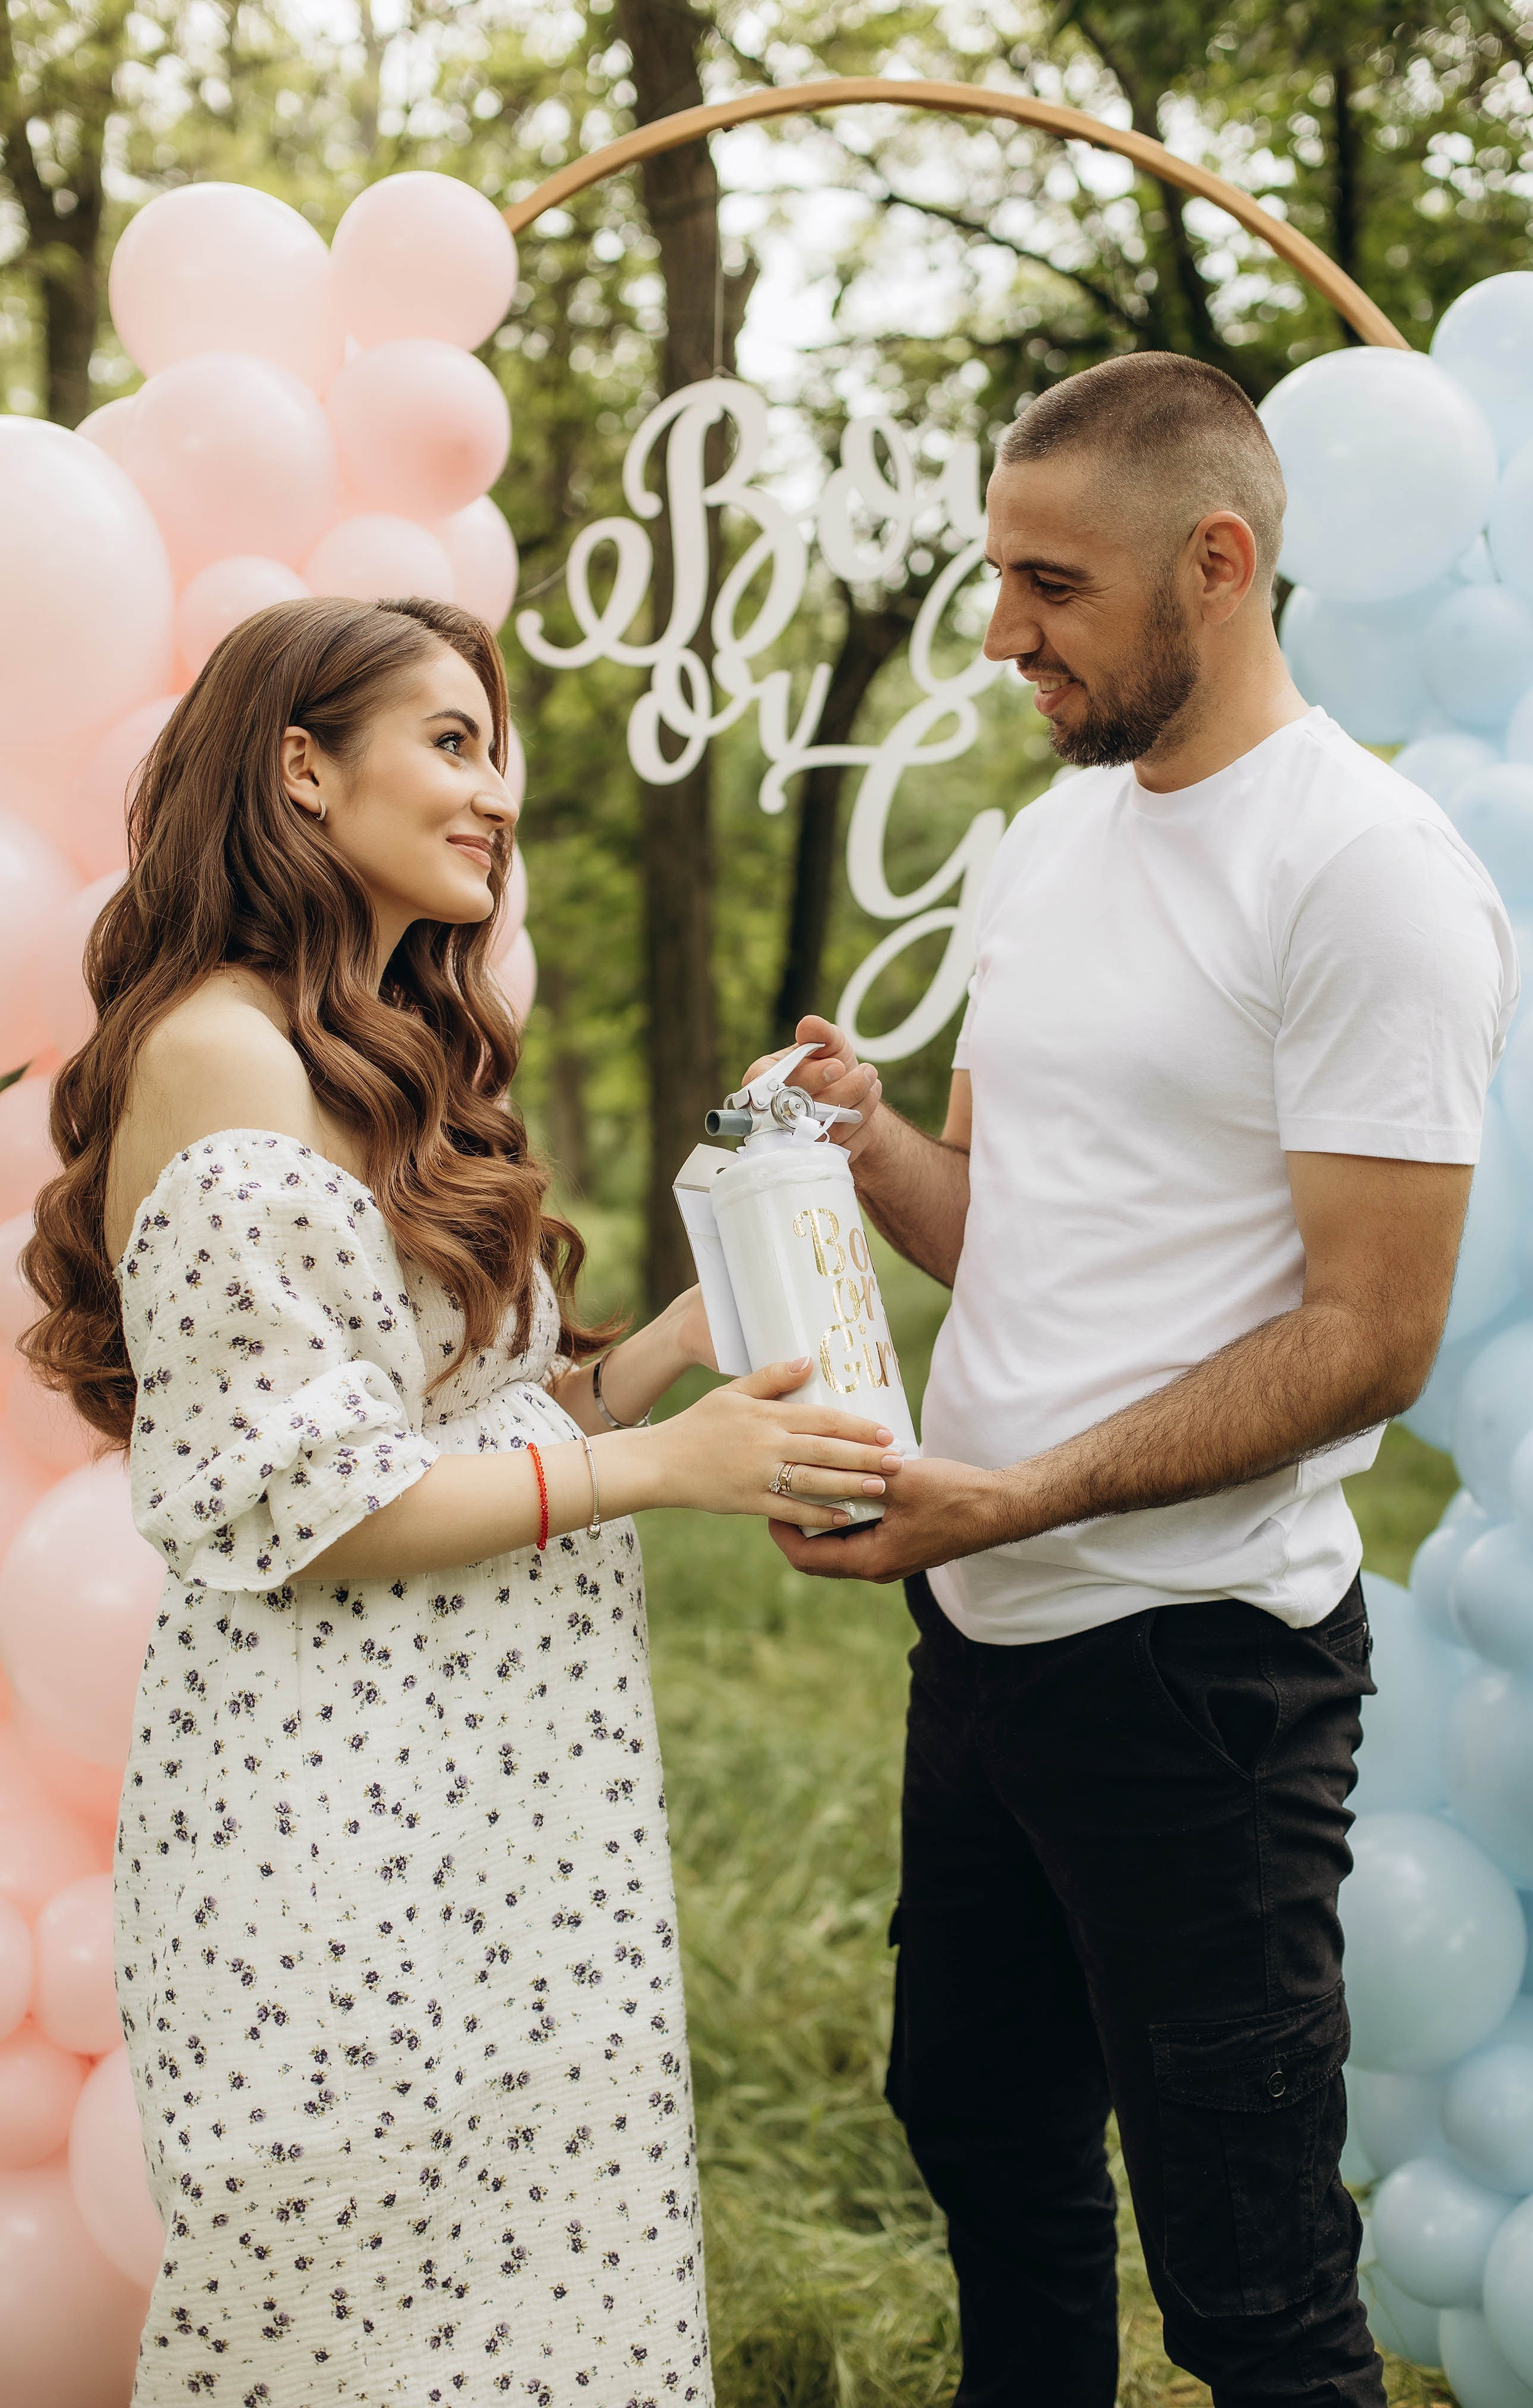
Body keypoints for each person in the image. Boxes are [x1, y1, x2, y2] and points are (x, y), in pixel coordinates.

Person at [21, 593, 903, 2405]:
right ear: (301, 770)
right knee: (363, 2327)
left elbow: (451, 1429)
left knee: (535, 2305)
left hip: (502, 1813)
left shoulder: (375, 1046)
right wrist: (659, 1471)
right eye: (451, 743)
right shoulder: (219, 1049)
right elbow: (318, 1500)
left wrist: (674, 1346)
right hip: (330, 1821)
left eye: (497, 751)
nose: (498, 792)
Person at [761, 353, 1517, 2406]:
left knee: (1251, 2289)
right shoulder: (1048, 842)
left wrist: (1015, 1496)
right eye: (998, 576)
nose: (1003, 633)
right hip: (982, 1643)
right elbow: (1003, 1225)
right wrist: (868, 1139)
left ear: (1219, 563)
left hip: (1200, 1679)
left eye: (1053, 586)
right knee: (982, 2134)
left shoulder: (1366, 872)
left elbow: (1371, 1335)